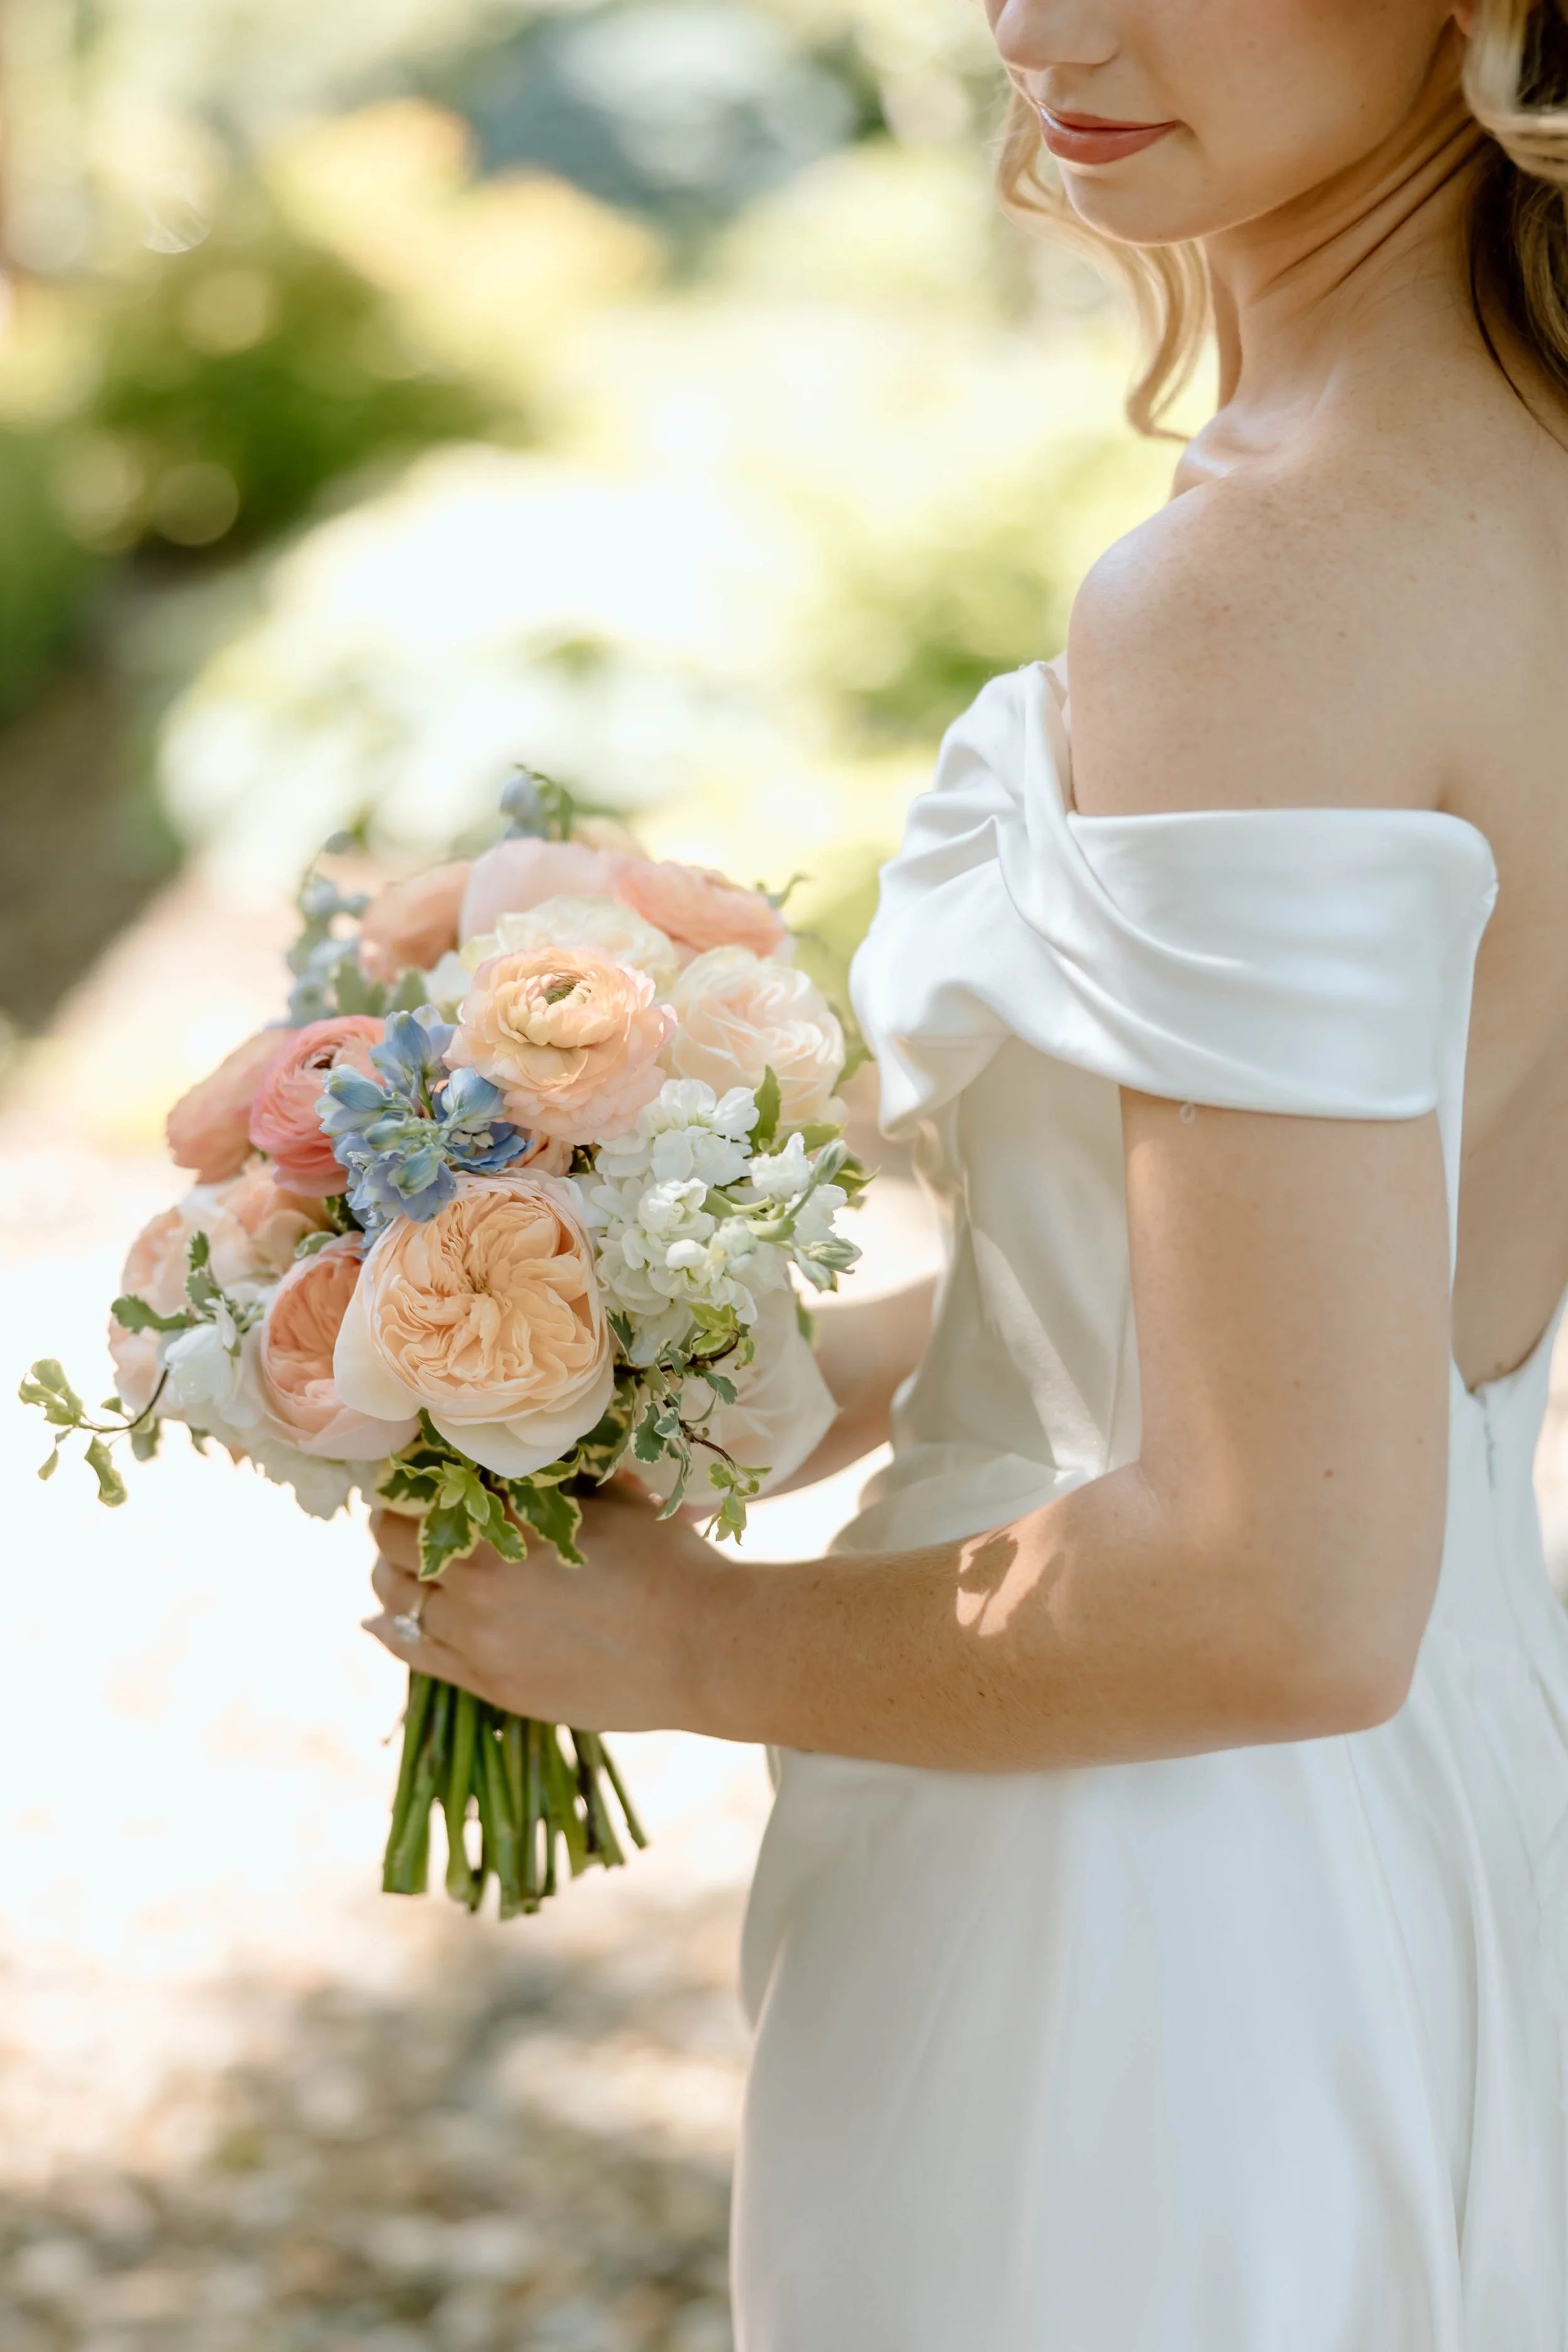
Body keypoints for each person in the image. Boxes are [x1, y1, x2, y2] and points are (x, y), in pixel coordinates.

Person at [367, 3, 1568, 2341]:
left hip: (1146, 1911)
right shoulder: (1511, 475)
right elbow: (1358, 1311)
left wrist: (683, 1638)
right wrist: (762, 1372)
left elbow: (1277, 1595)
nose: (1037, 23)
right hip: (1455, 1787)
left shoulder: (1265, 586)